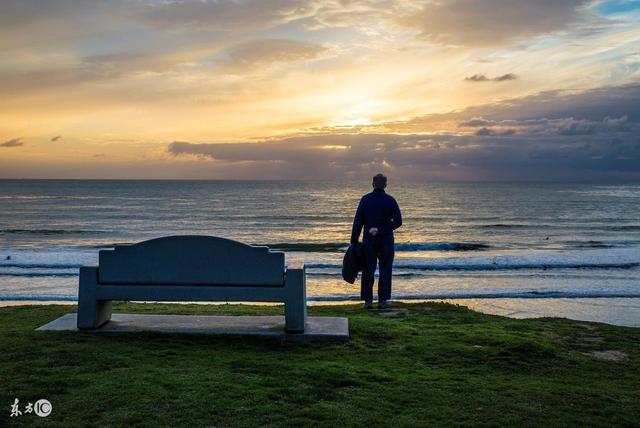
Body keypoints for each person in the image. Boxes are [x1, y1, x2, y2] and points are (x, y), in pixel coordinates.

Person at [350, 173, 402, 309]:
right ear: (385, 185)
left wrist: (353, 241)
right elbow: (398, 222)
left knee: (368, 271)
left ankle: (368, 302)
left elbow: (358, 222)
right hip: (386, 241)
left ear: (373, 184)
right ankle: (383, 301)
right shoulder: (390, 200)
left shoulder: (365, 200)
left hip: (369, 242)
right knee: (385, 270)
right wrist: (381, 230)